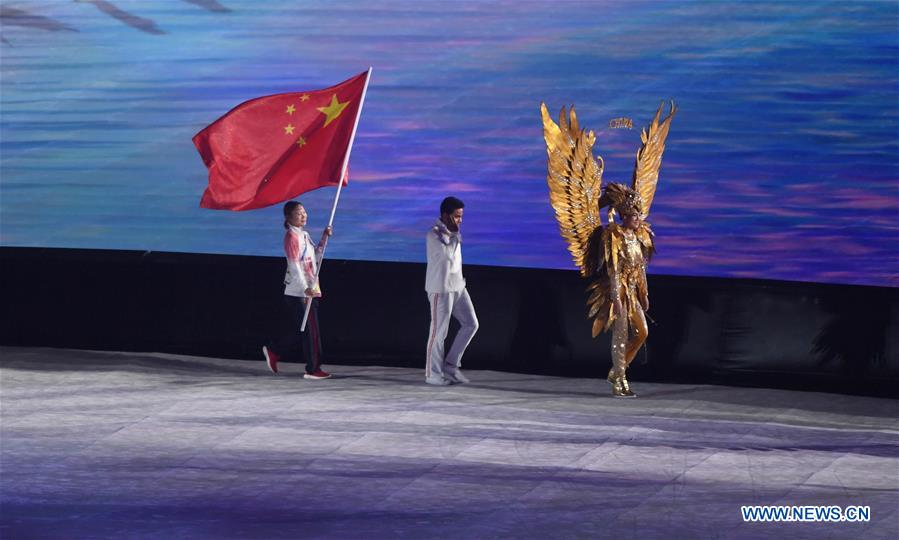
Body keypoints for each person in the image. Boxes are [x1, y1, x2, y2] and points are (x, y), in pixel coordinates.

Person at [262, 201, 333, 379]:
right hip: (299, 292)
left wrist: (324, 238)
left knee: (304, 330)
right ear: (288, 217)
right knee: (311, 331)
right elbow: (294, 266)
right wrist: (305, 288)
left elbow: (315, 257)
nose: (304, 215)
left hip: (310, 288)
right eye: (299, 213)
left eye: (304, 212)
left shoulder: (304, 235)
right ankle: (313, 369)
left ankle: (274, 351)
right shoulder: (291, 237)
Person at [424, 196, 479, 385]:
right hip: (440, 288)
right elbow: (446, 257)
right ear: (445, 215)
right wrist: (454, 235)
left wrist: (455, 233)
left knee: (471, 324)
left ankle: (451, 365)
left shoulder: (454, 233)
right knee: (438, 332)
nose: (460, 220)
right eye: (457, 216)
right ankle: (433, 374)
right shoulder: (434, 234)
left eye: (461, 216)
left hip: (458, 286)